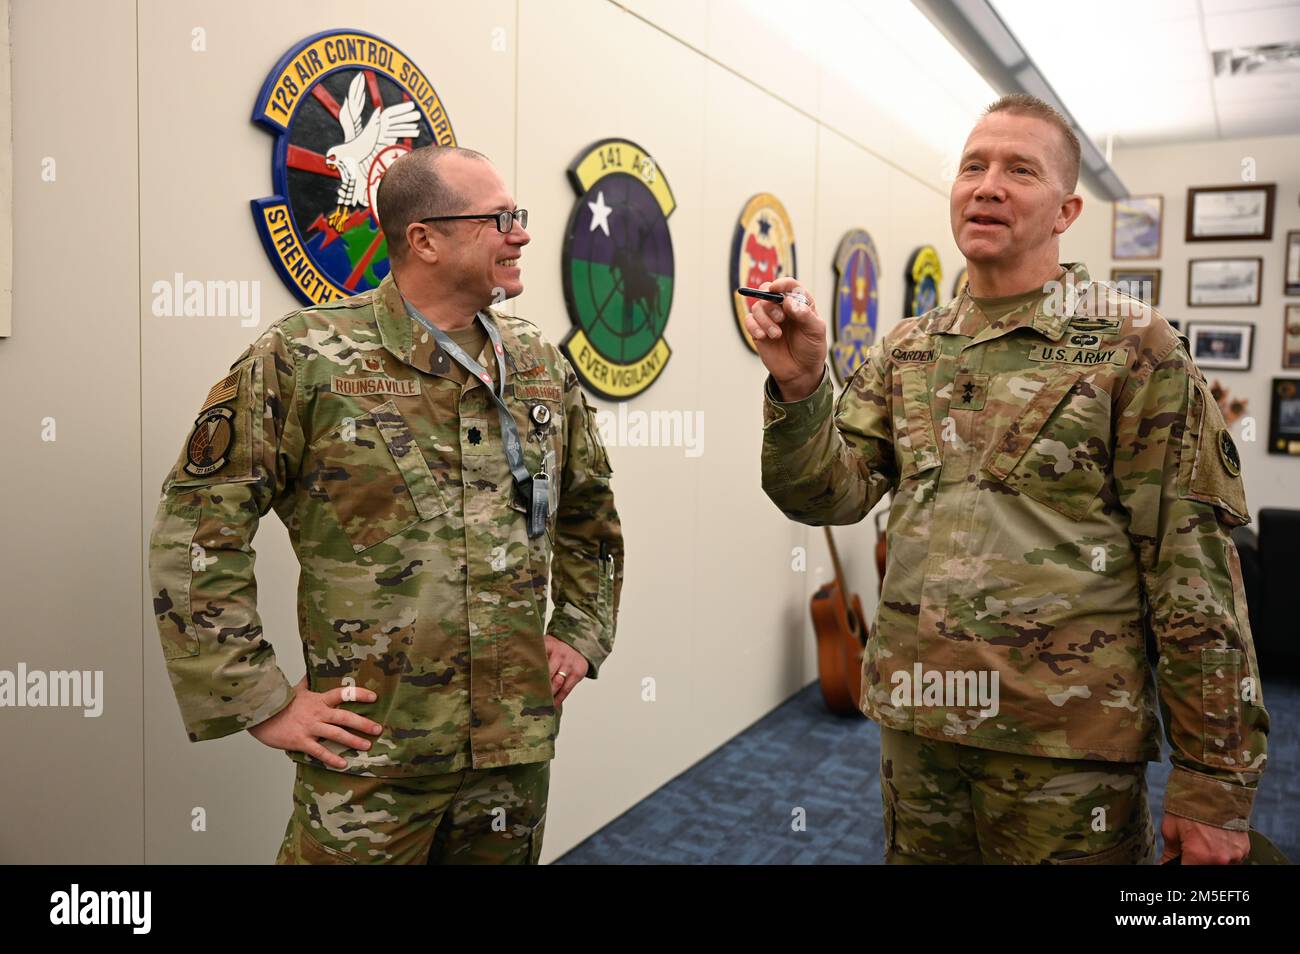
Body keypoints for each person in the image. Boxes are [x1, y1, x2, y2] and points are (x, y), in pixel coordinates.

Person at [750, 94, 1268, 865]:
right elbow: (827, 496)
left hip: (1064, 747)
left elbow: (1192, 573)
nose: (988, 185)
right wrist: (800, 391)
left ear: (1066, 210)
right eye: (973, 166)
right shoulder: (909, 348)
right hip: (921, 728)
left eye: (1019, 170)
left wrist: (1214, 785)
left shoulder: (1133, 347)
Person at [148, 145, 624, 865]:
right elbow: (197, 525)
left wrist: (581, 633)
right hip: (374, 758)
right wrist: (256, 696)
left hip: (512, 751)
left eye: (517, 216)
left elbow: (590, 511)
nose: (520, 234)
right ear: (423, 239)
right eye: (499, 219)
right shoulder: (307, 356)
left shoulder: (537, 364)